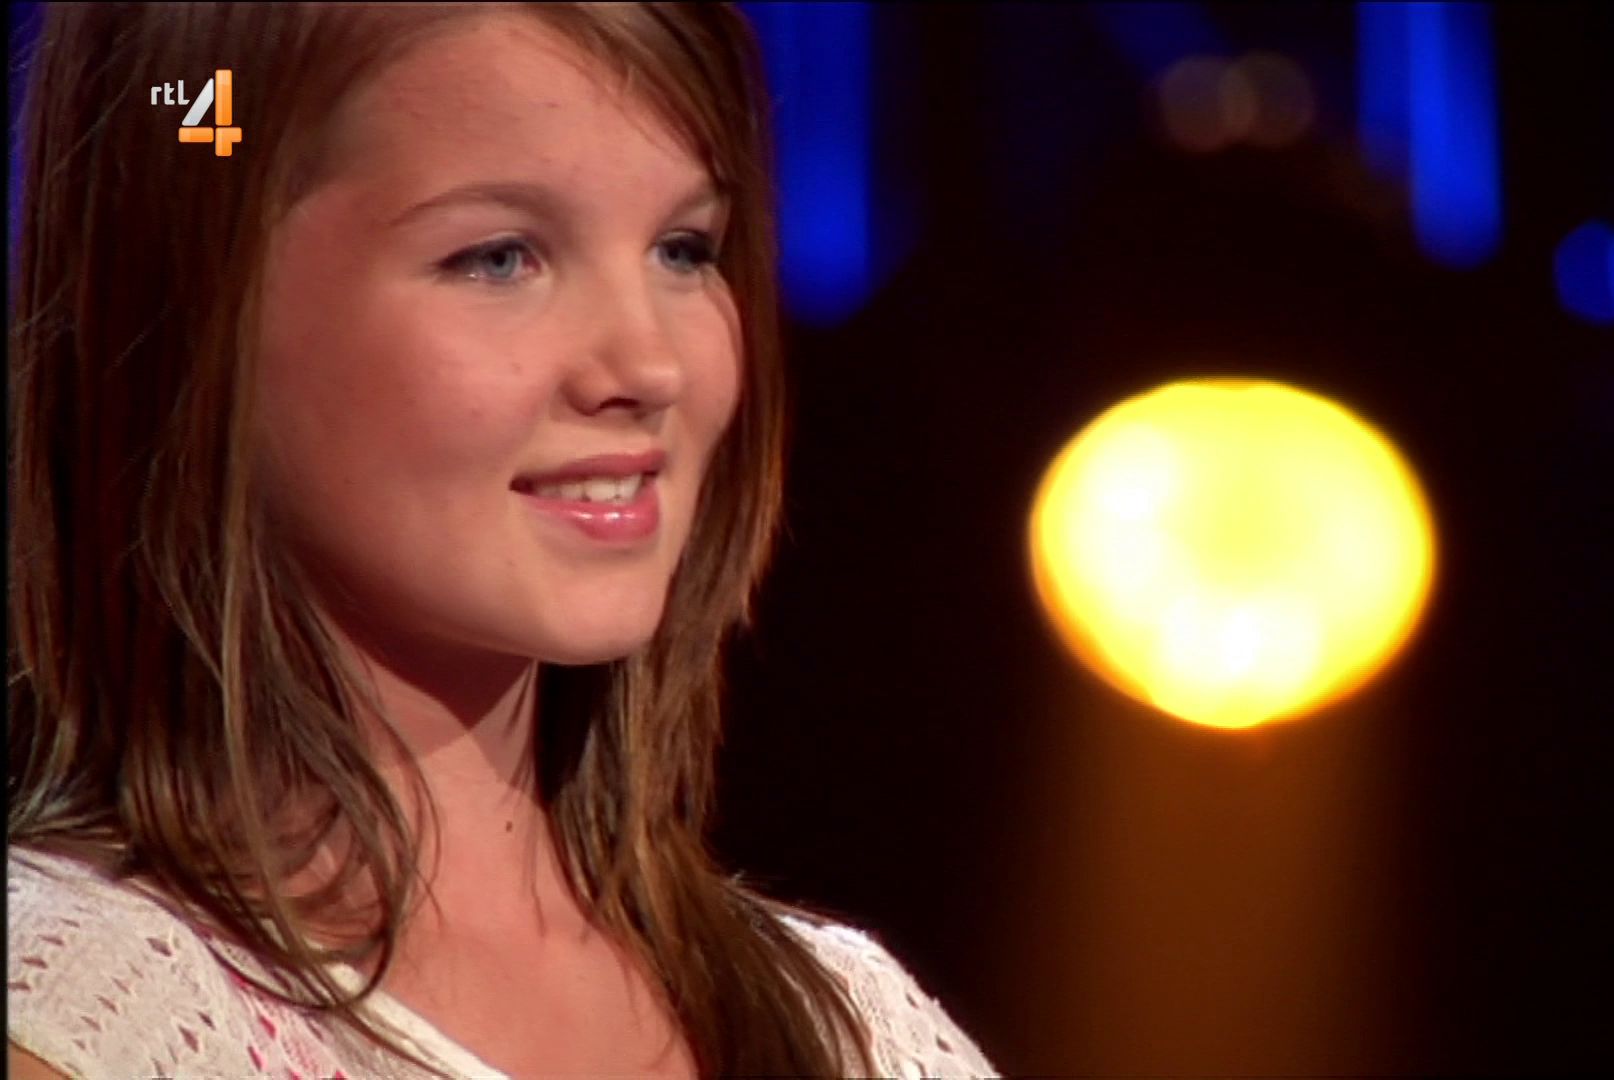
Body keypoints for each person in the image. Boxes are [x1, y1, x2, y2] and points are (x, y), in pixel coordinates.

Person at [6, 3, 996, 1076]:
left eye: (684, 249)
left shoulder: (857, 1031)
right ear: (199, 302)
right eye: (499, 257)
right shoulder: (84, 1017)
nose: (649, 365)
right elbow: (176, 107)